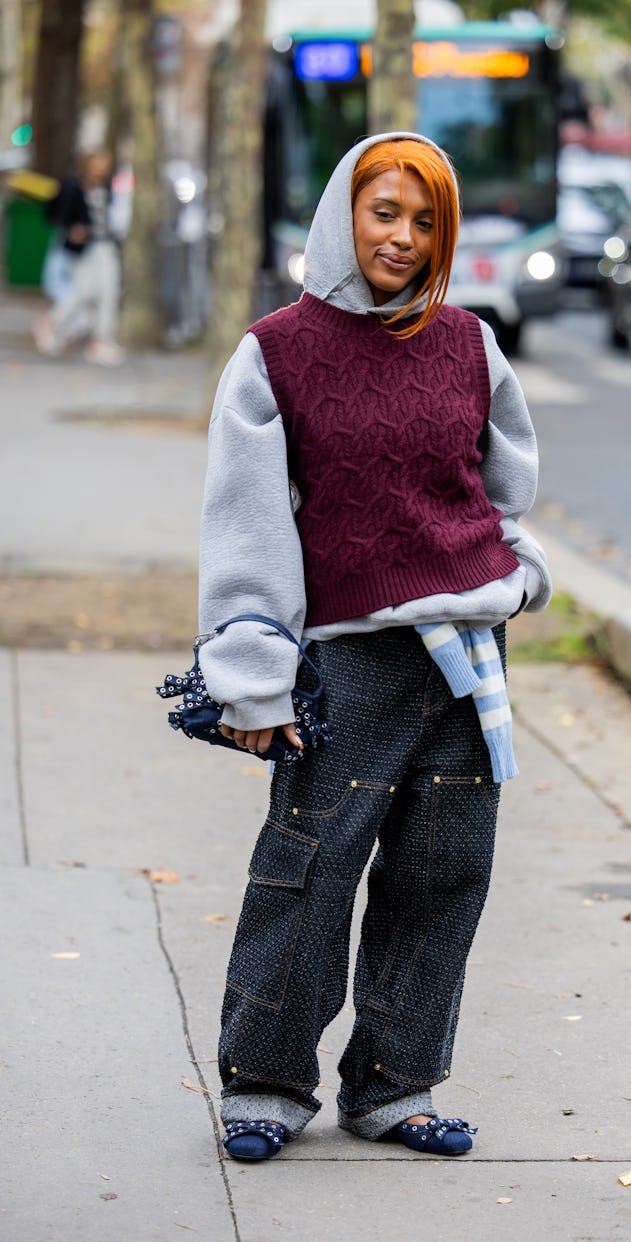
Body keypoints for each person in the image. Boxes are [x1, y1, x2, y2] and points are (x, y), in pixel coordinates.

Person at [198, 131, 552, 1162]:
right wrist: (254, 678)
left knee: (445, 875)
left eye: (425, 219)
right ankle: (265, 1081)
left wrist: (516, 572)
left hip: (469, 660)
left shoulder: (470, 344)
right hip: (348, 661)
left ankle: (397, 1085)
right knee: (308, 869)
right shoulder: (275, 353)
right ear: (342, 216)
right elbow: (246, 524)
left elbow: (502, 485)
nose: (403, 237)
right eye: (384, 212)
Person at [34, 150, 124, 367]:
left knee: (109, 292)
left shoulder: (107, 188)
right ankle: (51, 322)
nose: (101, 169)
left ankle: (101, 341)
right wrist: (71, 229)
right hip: (84, 249)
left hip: (106, 246)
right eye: (98, 164)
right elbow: (53, 213)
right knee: (83, 292)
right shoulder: (73, 186)